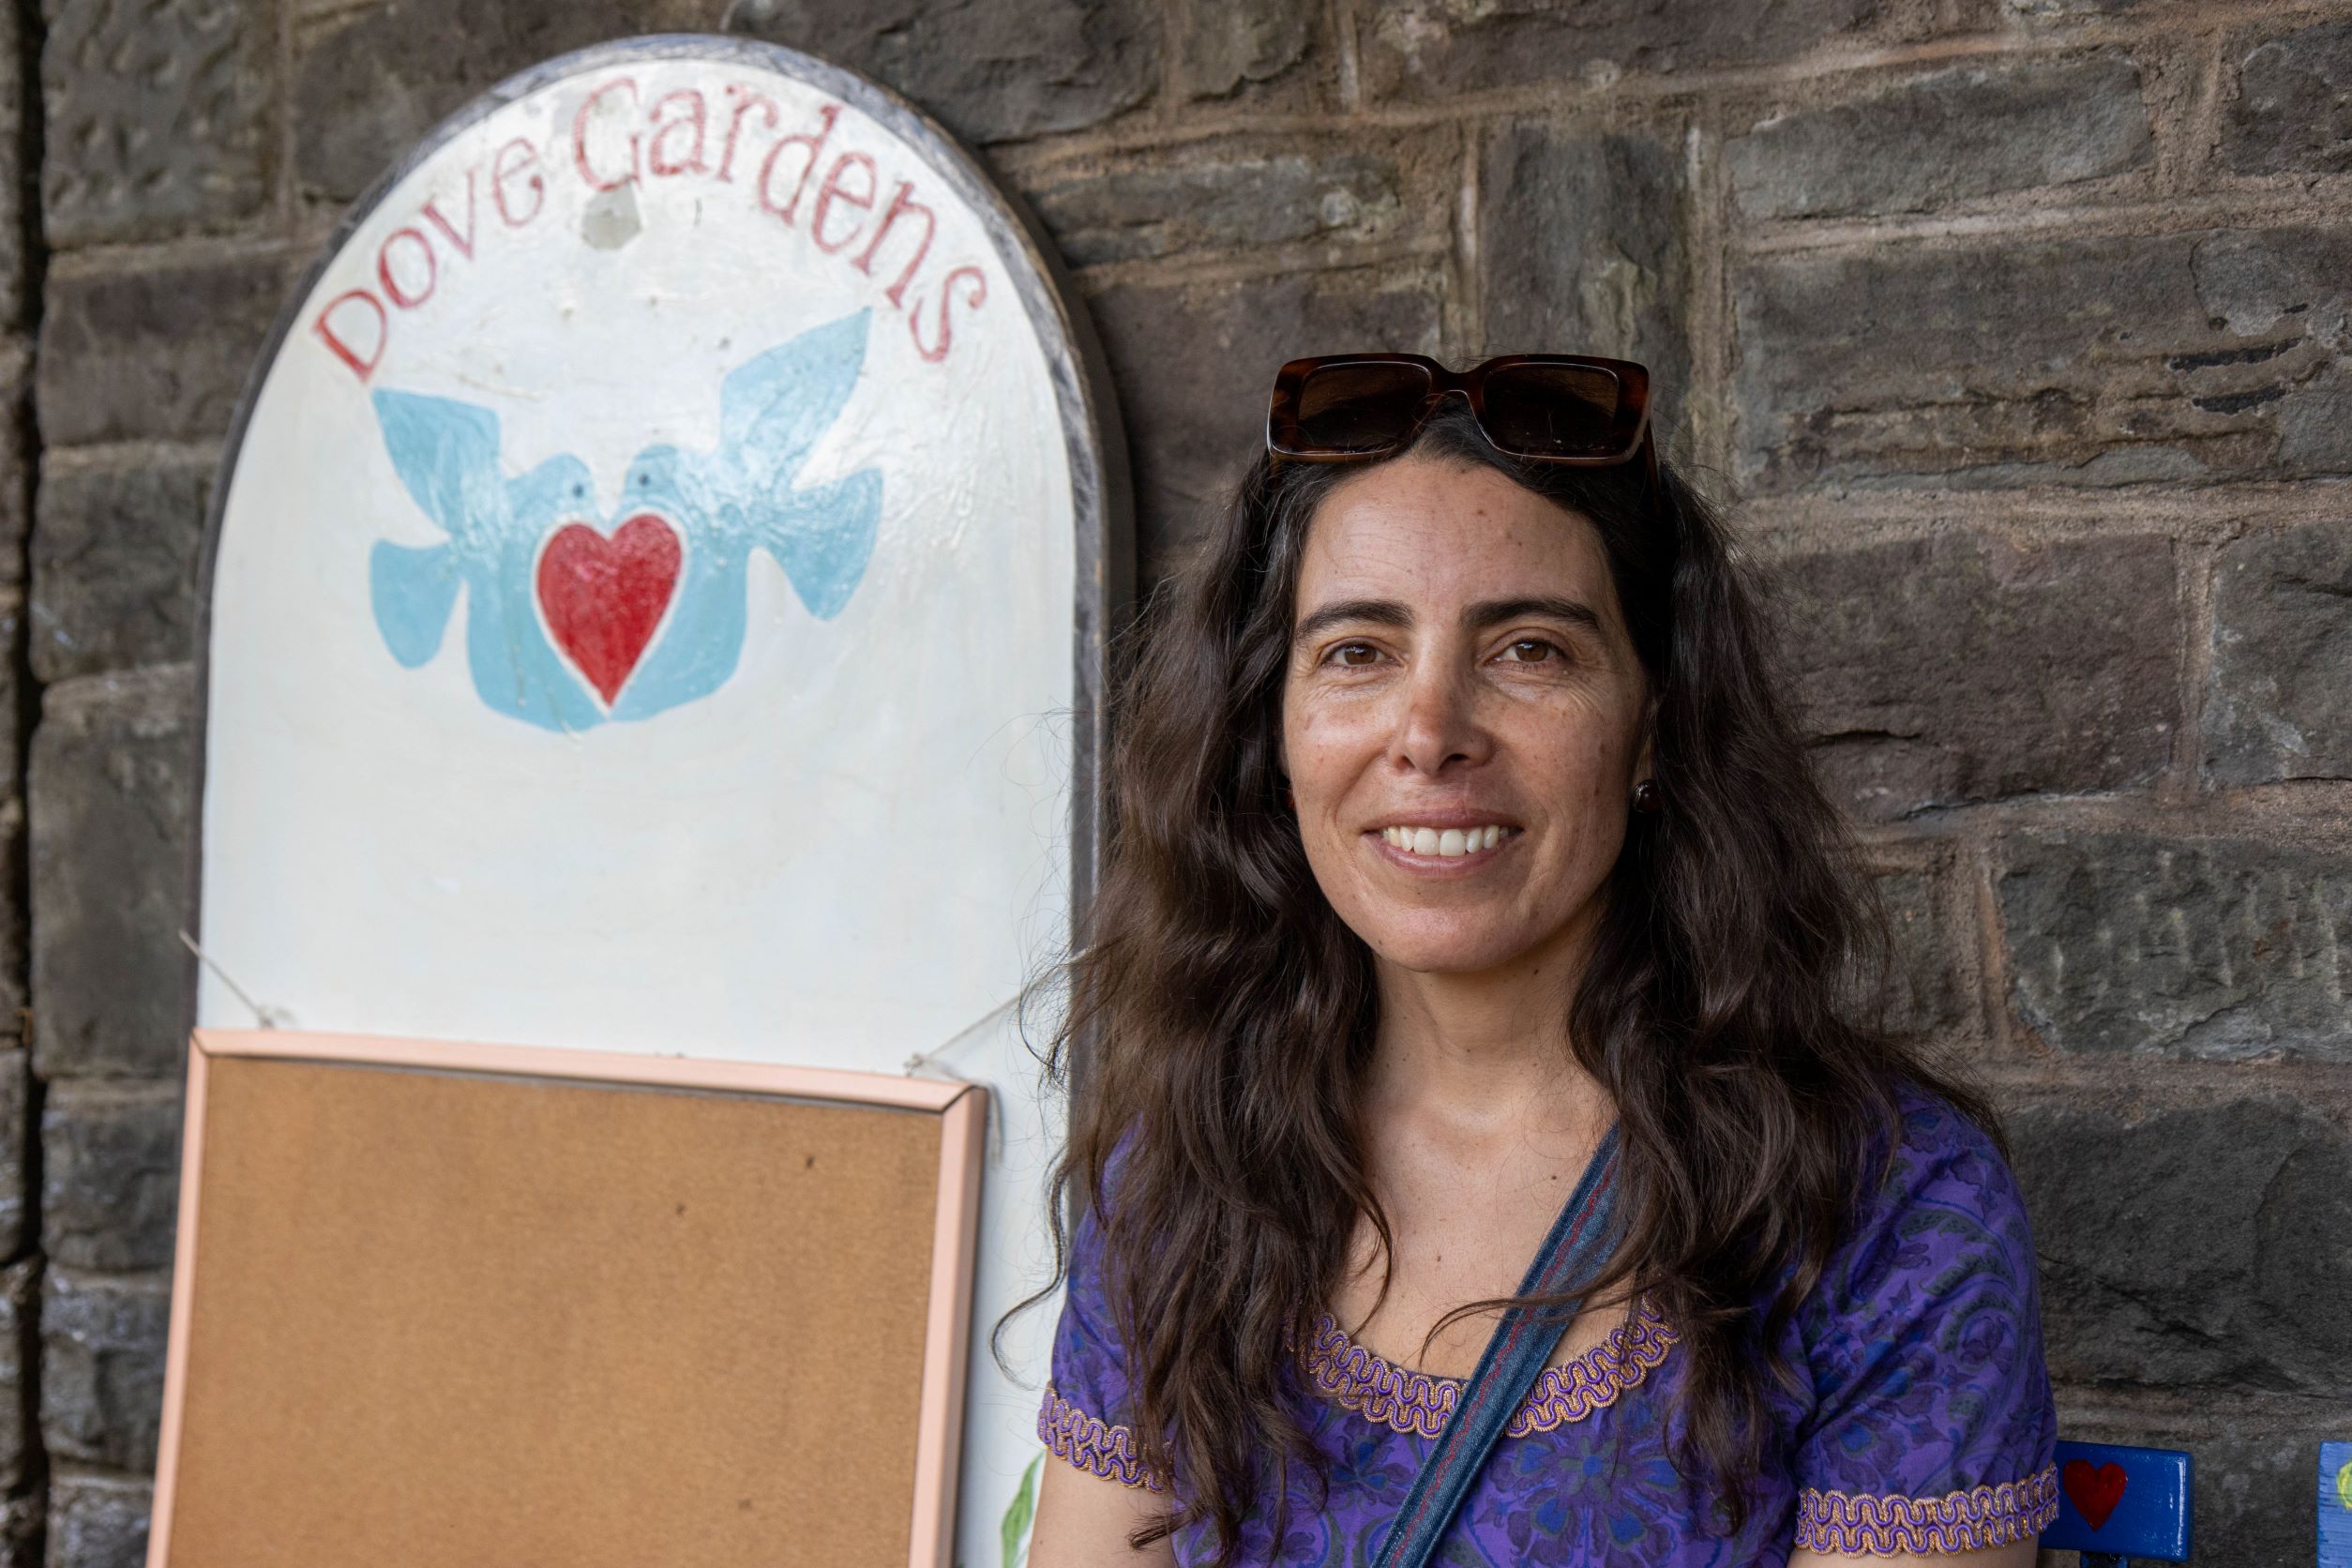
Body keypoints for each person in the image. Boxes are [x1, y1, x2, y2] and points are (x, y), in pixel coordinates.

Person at [1021, 352, 2057, 1567]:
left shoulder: (1879, 1210)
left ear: (1653, 729)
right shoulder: (1179, 1174)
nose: (1430, 733)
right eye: (1358, 651)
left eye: (1529, 651)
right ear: (1275, 733)